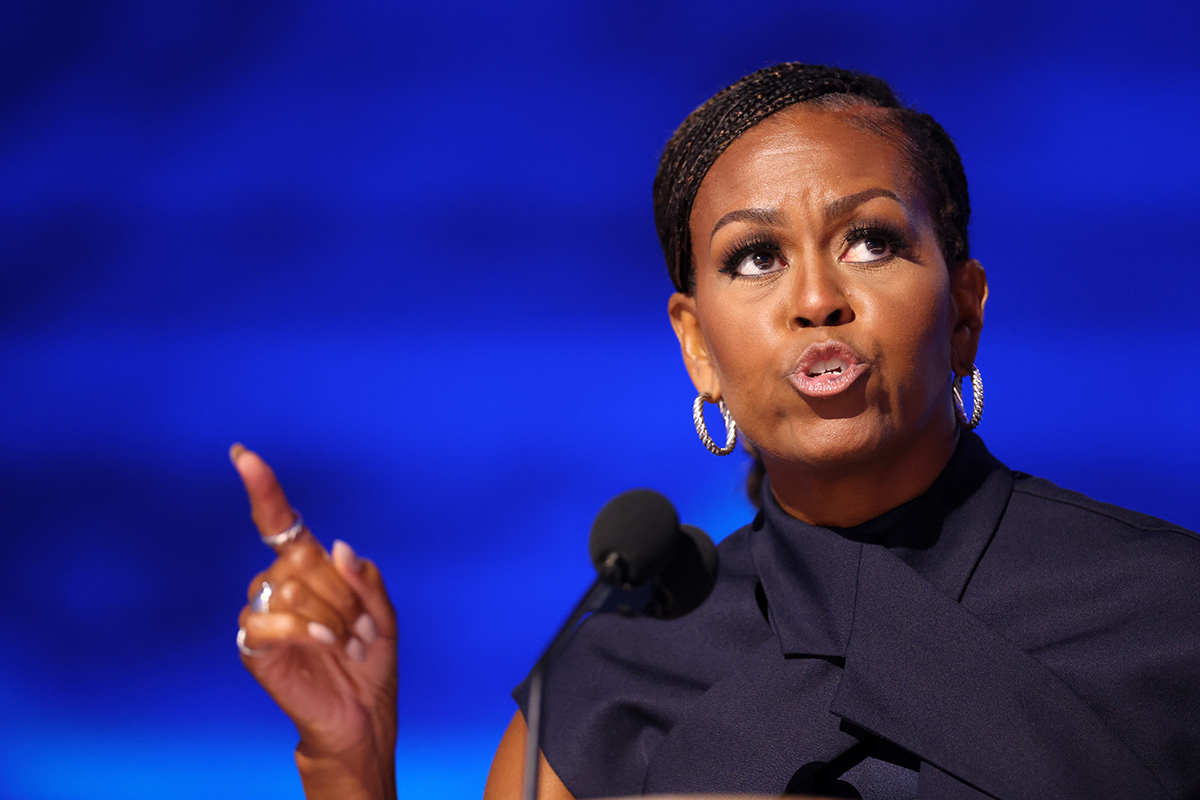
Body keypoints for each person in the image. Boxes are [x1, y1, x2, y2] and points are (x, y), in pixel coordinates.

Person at [234, 63, 1200, 800]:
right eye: (755, 257)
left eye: (872, 241)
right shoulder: (605, 683)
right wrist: (351, 764)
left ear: (964, 312)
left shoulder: (1166, 611)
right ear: (697, 348)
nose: (817, 298)